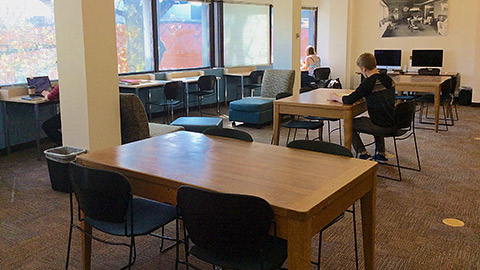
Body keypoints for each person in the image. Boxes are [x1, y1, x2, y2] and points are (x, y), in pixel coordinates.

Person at [329, 53, 395, 162]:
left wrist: (335, 97)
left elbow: (349, 100)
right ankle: (381, 153)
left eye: (360, 69)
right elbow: (379, 95)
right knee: (378, 117)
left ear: (363, 69)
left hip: (381, 125)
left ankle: (362, 153)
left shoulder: (368, 82)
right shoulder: (388, 79)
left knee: (349, 123)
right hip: (394, 121)